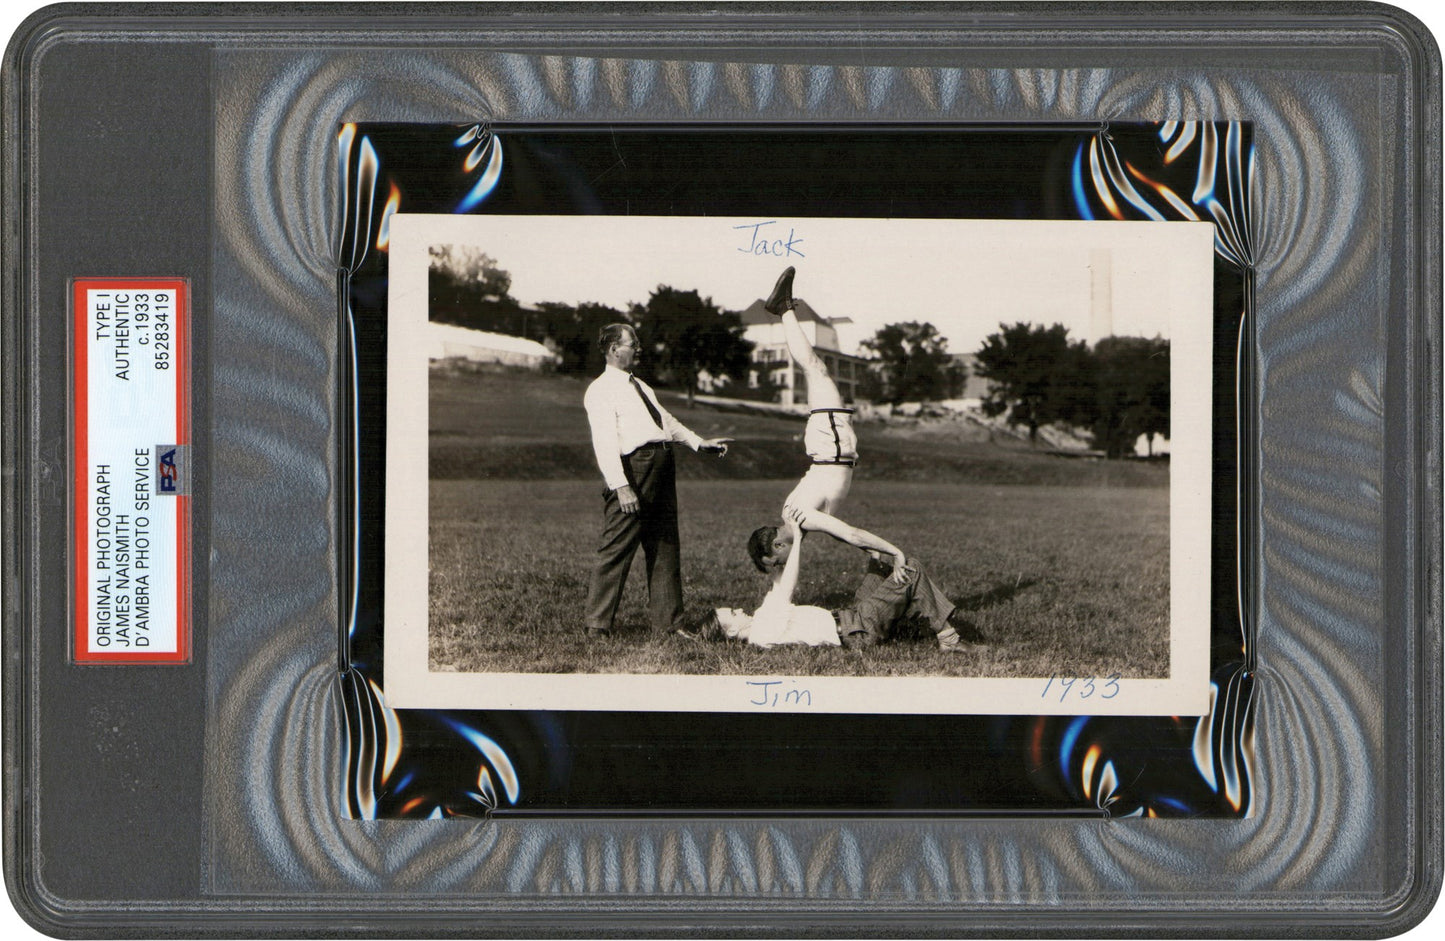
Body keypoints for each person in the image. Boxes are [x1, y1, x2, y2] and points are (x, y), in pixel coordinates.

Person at [583, 323, 733, 638]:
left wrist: (697, 442)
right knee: (617, 545)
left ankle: (670, 624)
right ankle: (597, 625)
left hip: (662, 464)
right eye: (632, 343)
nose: (638, 348)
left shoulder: (640, 385)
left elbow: (666, 422)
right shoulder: (600, 389)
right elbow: (604, 441)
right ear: (614, 349)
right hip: (635, 468)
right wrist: (621, 486)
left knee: (665, 544)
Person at [692, 509, 971, 651]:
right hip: (859, 628)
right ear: (729, 632)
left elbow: (778, 580)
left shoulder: (763, 618)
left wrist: (780, 537)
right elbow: (787, 585)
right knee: (911, 568)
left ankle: (911, 618)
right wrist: (798, 539)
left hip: (852, 618)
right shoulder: (762, 631)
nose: (739, 609)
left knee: (878, 569)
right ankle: (949, 638)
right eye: (732, 614)